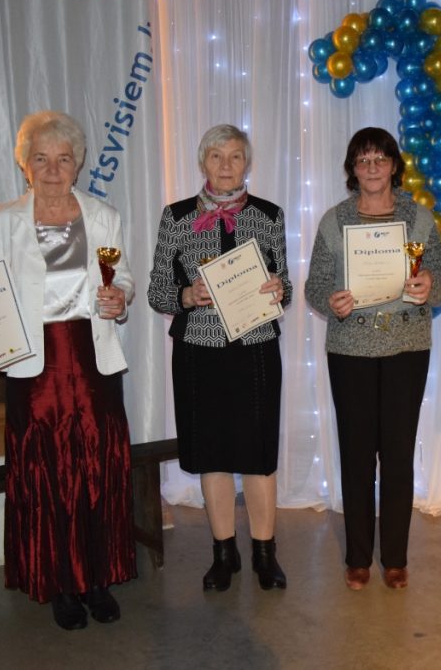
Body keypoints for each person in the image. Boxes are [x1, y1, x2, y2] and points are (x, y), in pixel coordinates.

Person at [0, 110, 137, 630]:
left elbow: (122, 275)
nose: (52, 169)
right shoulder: (4, 220)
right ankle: (61, 583)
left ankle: (98, 578)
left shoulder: (102, 216)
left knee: (96, 466)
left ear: (78, 164)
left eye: (63, 159)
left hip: (92, 357)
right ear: (25, 164)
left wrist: (120, 296)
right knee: (46, 469)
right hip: (33, 362)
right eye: (41, 159)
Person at [148, 124, 291, 592]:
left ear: (247, 163)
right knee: (213, 455)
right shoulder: (176, 216)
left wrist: (280, 289)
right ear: (202, 163)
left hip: (255, 350)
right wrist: (186, 295)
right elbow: (156, 290)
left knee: (258, 455)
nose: (226, 165)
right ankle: (223, 553)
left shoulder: (269, 215)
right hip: (199, 350)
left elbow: (286, 284)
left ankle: (265, 553)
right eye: (216, 156)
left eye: (235, 156)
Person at [305, 127, 441, 590]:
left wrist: (430, 286)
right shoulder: (334, 220)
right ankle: (358, 557)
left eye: (380, 159)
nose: (371, 167)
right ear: (352, 168)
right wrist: (331, 301)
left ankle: (396, 558)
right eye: (363, 160)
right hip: (350, 350)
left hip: (407, 348)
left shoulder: (418, 219)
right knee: (356, 454)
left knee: (399, 455)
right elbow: (314, 286)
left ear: (393, 166)